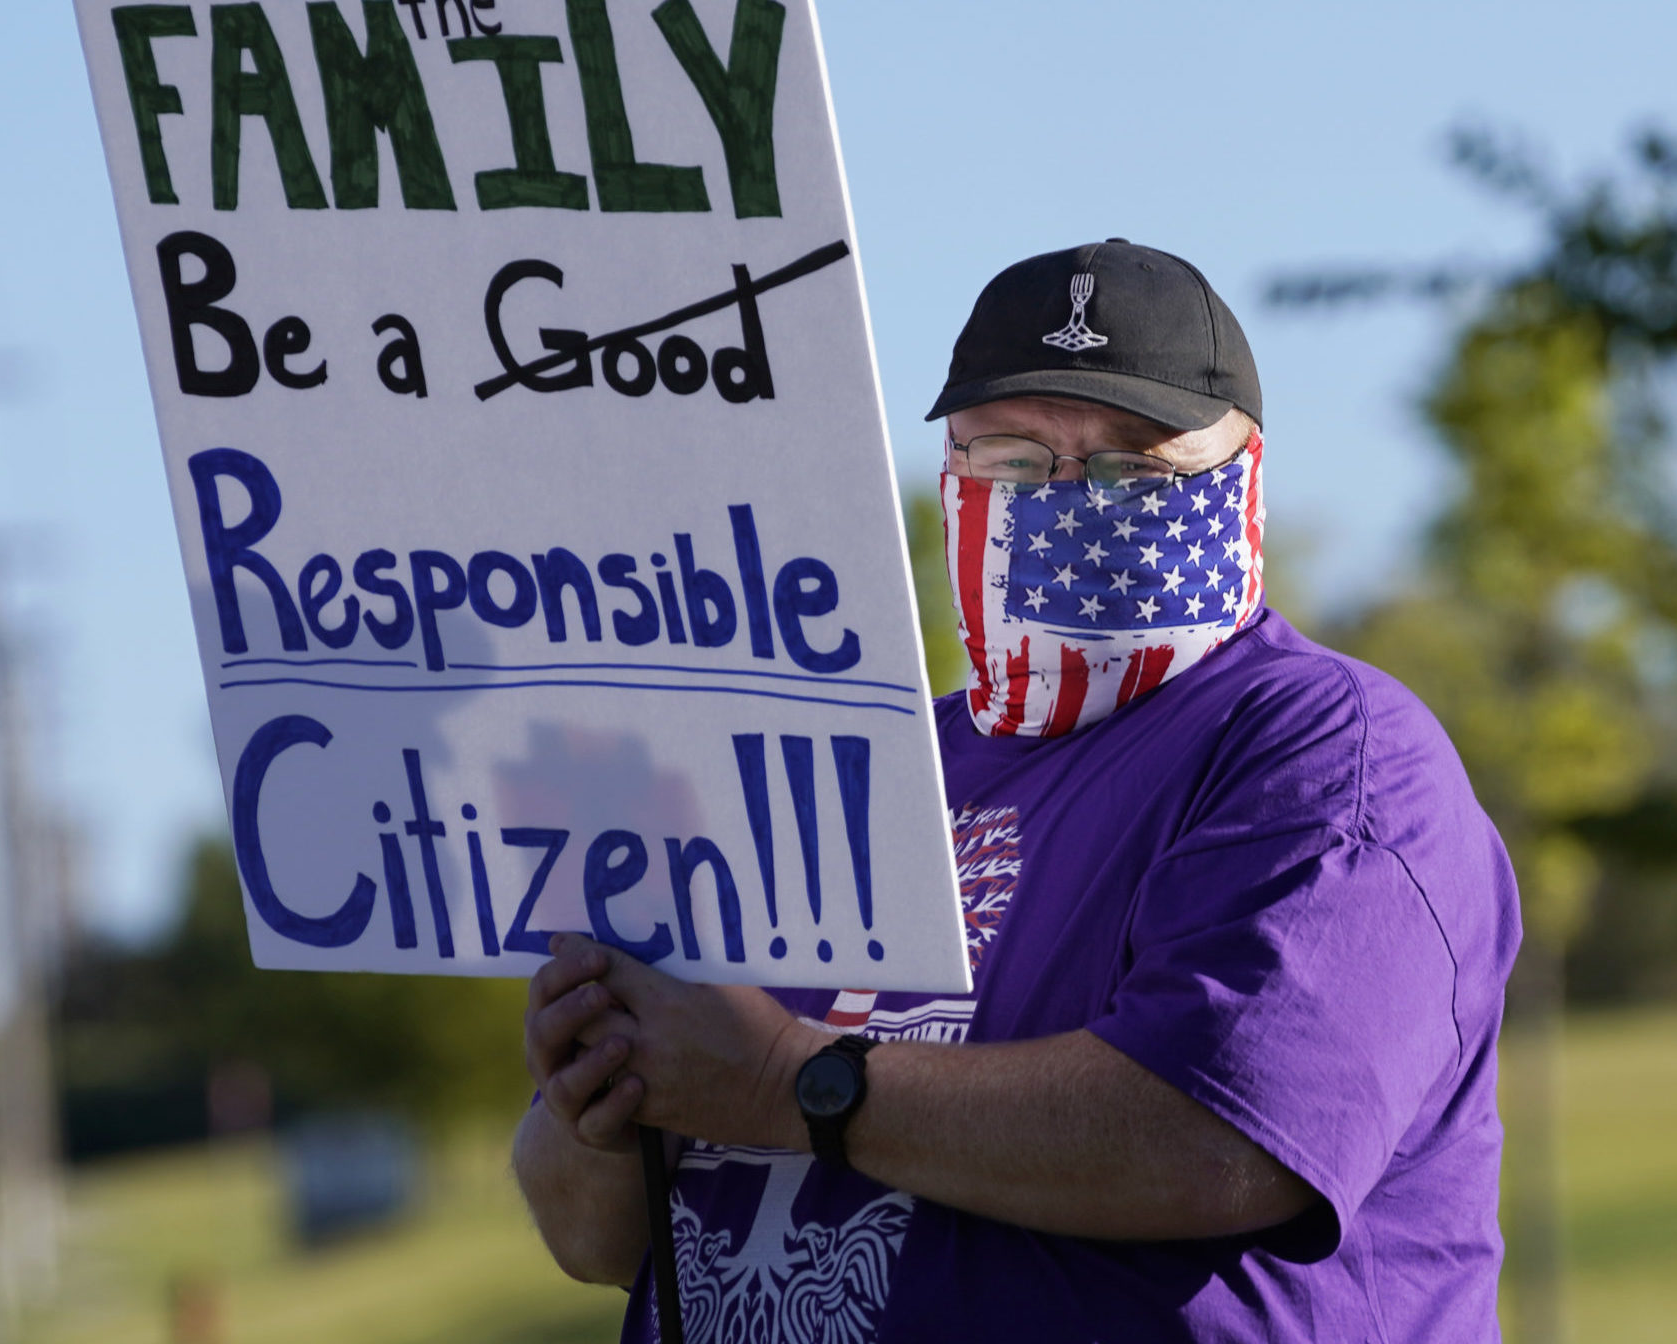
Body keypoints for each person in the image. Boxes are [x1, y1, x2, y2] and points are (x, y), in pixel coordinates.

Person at [514, 239, 1521, 1343]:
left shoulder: (1324, 751)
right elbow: (595, 1242)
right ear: (948, 472)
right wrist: (605, 1103)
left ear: (1245, 477)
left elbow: (1216, 1142)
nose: (1069, 505)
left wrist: (781, 1082)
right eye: (1010, 461)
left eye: (1134, 467)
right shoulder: (839, 766)